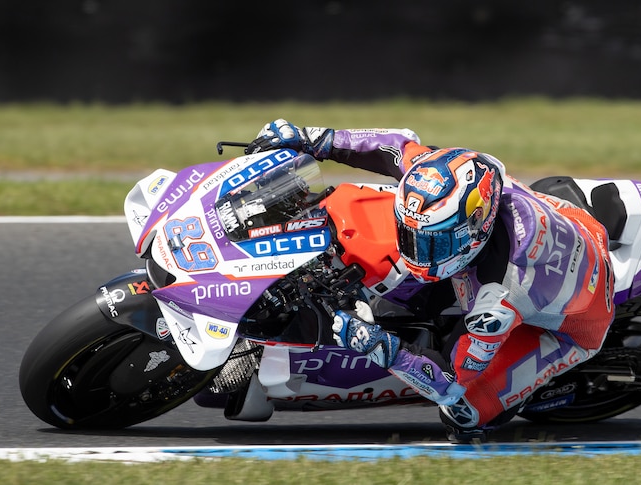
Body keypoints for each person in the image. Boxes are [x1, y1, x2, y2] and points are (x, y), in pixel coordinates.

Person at [246, 119, 616, 442]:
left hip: (574, 322)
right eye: (413, 237)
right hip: (567, 221)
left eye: (432, 242)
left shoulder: (499, 299)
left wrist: (379, 346)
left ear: (475, 227)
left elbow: (449, 381)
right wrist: (312, 138)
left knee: (464, 412)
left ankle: (520, 389)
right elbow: (392, 146)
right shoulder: (452, 176)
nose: (416, 251)